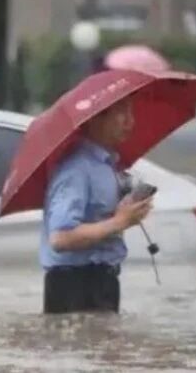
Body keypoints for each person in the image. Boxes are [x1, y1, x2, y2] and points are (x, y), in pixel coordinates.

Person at [41, 97, 153, 314]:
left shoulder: (107, 165)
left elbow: (101, 218)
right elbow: (60, 238)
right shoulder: (76, 170)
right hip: (74, 285)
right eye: (121, 113)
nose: (130, 122)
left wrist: (127, 212)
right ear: (95, 118)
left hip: (103, 280)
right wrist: (119, 222)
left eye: (131, 113)